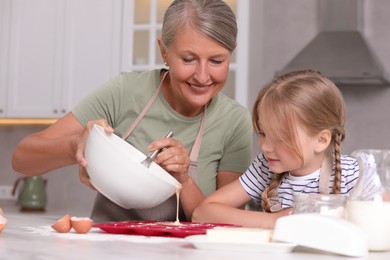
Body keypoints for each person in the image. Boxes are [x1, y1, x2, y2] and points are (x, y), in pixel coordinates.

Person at [11, 0, 252, 223]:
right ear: (164, 51)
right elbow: (22, 159)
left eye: (217, 61)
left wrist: (184, 180)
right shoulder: (124, 92)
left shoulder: (234, 122)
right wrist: (77, 145)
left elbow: (229, 225)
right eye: (188, 59)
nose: (202, 76)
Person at [192, 70, 360, 228]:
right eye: (263, 133)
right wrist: (273, 220)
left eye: (280, 139)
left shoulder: (352, 173)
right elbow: (202, 213)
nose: (265, 147)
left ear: (321, 140)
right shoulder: (264, 168)